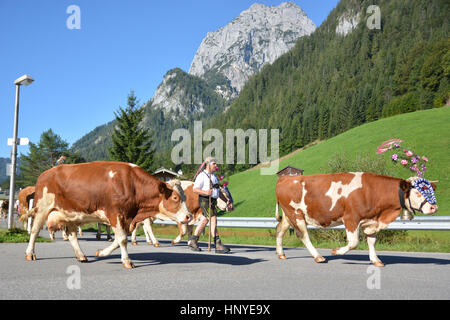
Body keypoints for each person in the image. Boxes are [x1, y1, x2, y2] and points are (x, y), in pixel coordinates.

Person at [189, 157, 230, 254]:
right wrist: (206, 192)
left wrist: (226, 200)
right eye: (214, 164)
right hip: (205, 200)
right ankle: (218, 243)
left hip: (213, 201)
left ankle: (193, 241)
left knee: (204, 220)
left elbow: (218, 191)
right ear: (208, 165)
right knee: (213, 219)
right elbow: (195, 189)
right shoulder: (202, 176)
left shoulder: (214, 176)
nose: (216, 166)